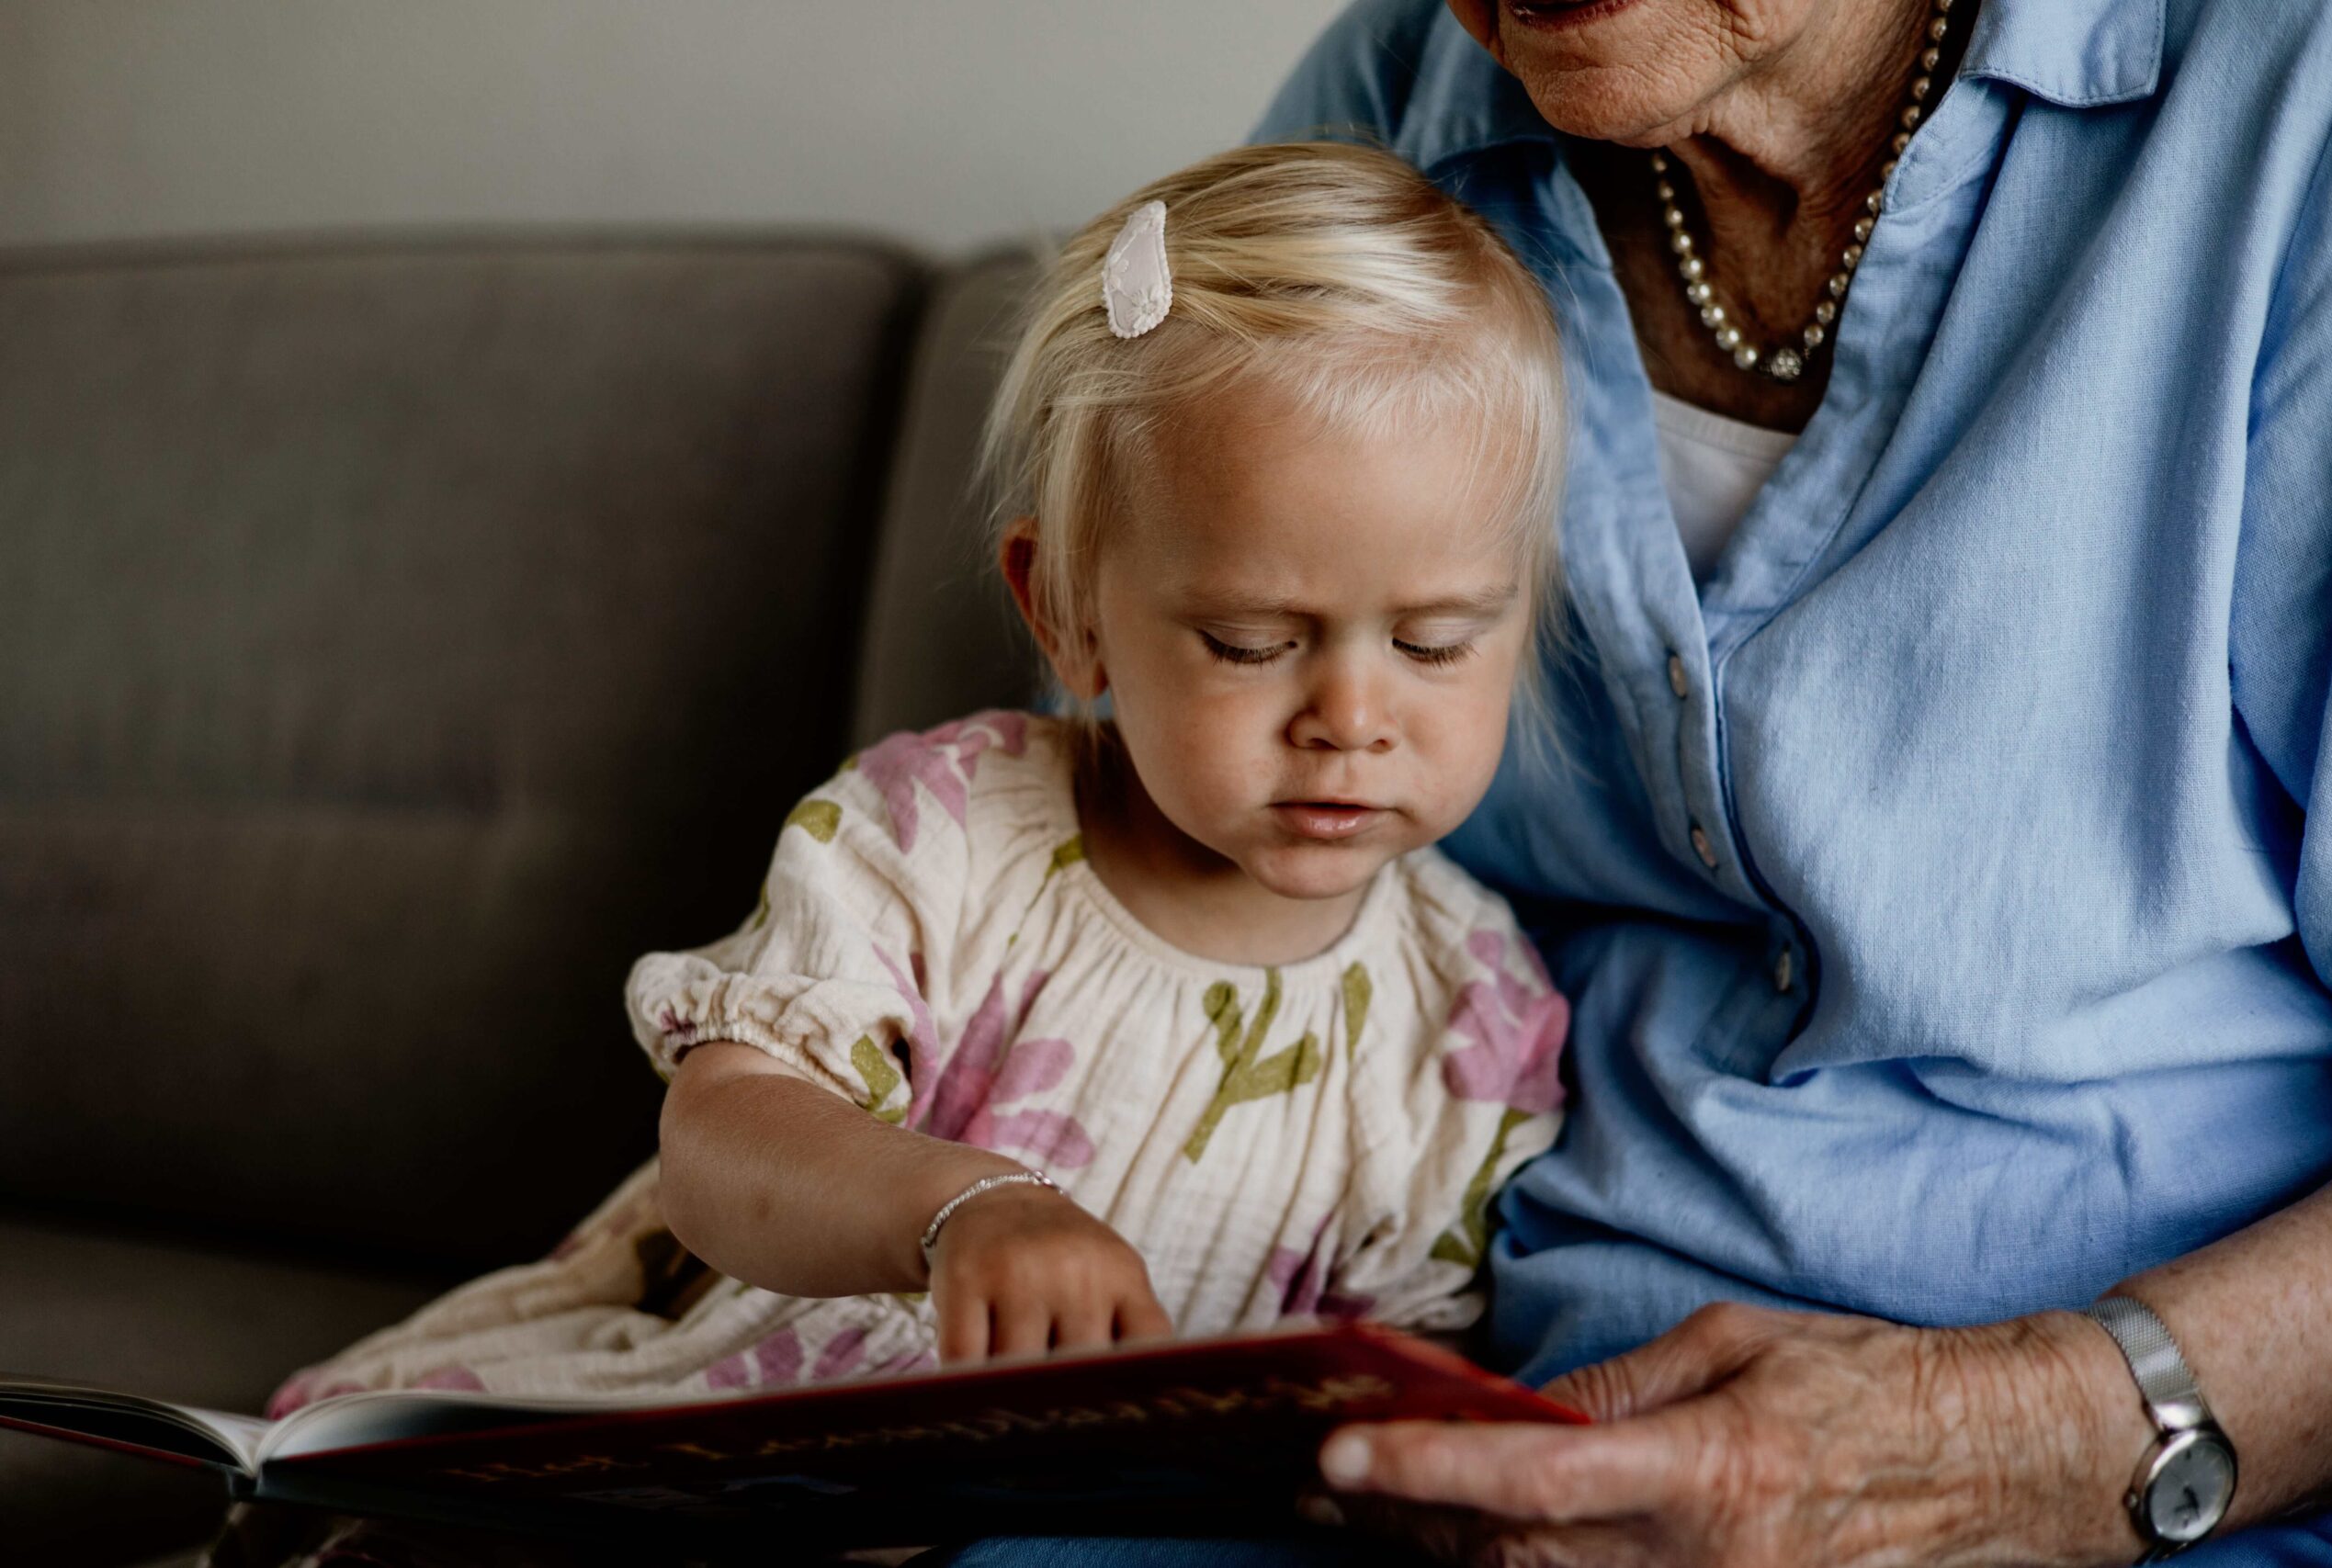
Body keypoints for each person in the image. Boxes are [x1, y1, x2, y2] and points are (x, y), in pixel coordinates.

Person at [926, 0, 2332, 1564]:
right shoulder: (1394, 105)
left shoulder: (2300, 114)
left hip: (2144, 1476)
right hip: (1457, 1424)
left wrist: (2034, 1438)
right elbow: (1131, 824)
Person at [198, 140, 1579, 1564]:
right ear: (1069, 614)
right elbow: (719, 1143)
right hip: (726, 1467)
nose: (1351, 719)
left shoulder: (1471, 1008)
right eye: (1250, 643)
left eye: (1433, 641)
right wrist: (958, 1205)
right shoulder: (946, 832)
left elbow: (1407, 1389)